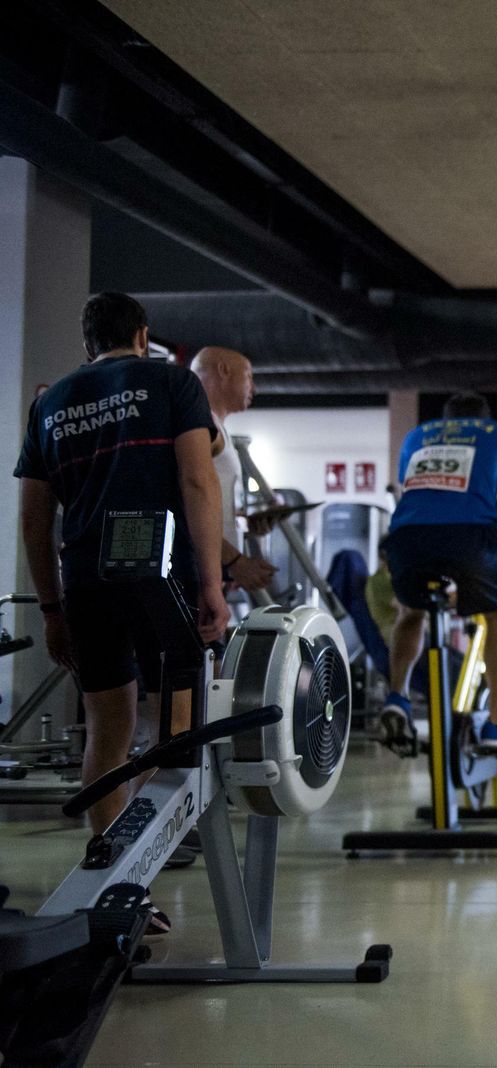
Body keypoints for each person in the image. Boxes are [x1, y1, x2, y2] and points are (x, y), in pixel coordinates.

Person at [13, 293, 228, 864]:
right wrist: (212, 583)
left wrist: (52, 611)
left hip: (85, 579)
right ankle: (141, 860)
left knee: (108, 725)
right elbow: (199, 481)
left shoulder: (50, 403)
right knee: (173, 724)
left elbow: (34, 523)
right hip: (162, 576)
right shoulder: (172, 383)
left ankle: (109, 858)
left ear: (88, 345)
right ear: (143, 335)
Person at [385, 391, 497, 755]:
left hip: (407, 536)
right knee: (496, 615)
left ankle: (396, 696)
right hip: (471, 537)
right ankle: (496, 723)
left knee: (410, 611)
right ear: (483, 417)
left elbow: (408, 491)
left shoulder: (418, 436)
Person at [191, 346, 275, 594]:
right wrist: (234, 562)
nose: (254, 387)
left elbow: (210, 504)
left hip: (214, 574)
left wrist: (244, 524)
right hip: (198, 574)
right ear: (223, 371)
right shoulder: (198, 427)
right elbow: (187, 501)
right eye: (249, 376)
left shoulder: (216, 426)